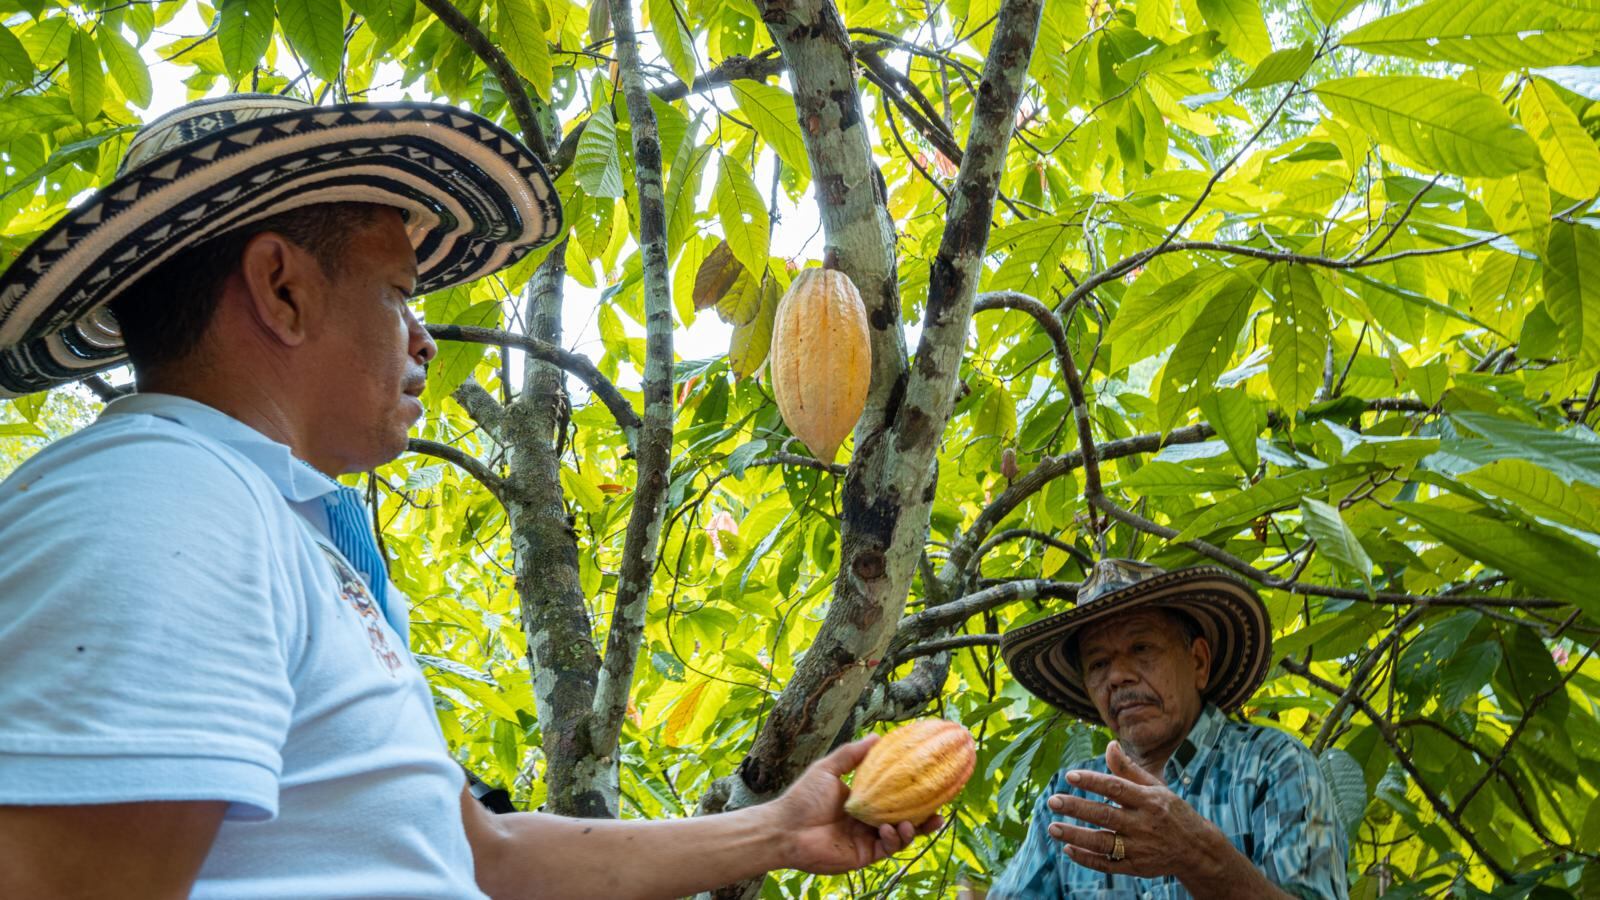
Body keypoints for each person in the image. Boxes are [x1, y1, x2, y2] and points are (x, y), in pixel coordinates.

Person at [0, 94, 935, 899]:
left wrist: (781, 830)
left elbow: (481, 852)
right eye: (400, 294)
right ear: (282, 290)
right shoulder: (161, 502)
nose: (424, 340)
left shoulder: (272, 526)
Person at [991, 559, 1348, 899]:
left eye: (1142, 647)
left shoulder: (1272, 765)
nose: (1117, 676)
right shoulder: (1069, 799)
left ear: (1198, 662)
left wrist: (1194, 855)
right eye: (1098, 663)